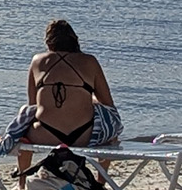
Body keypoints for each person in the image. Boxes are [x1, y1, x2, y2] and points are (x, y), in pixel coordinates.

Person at [15, 20, 121, 179]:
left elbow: (33, 105)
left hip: (45, 134)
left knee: (23, 129)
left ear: (48, 42)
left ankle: (22, 182)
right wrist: (90, 100)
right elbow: (108, 104)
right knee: (110, 133)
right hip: (83, 135)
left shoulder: (37, 60)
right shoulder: (89, 61)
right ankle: (101, 181)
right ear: (74, 40)